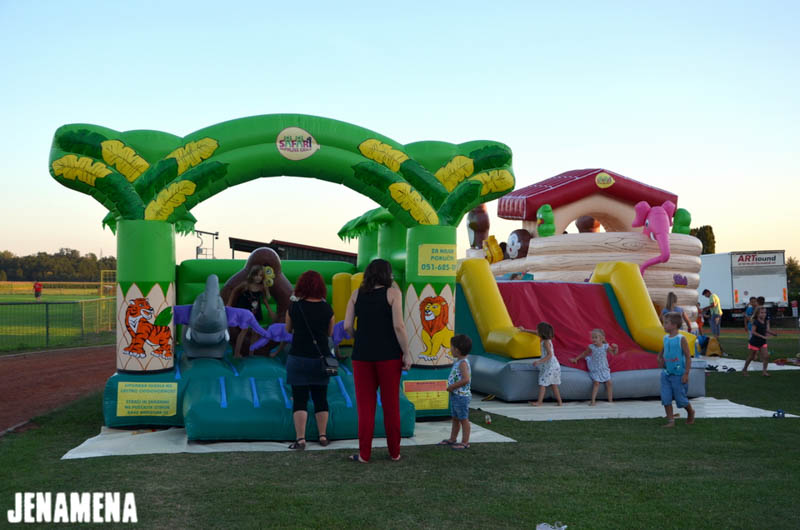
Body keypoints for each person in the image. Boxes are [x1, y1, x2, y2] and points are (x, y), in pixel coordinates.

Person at [343, 259, 412, 463]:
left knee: (366, 407)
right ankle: (394, 452)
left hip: (362, 356)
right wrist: (407, 352)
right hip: (389, 356)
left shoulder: (356, 294)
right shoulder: (393, 293)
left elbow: (347, 326)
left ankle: (364, 454)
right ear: (387, 274)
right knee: (391, 405)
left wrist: (357, 336)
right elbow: (399, 326)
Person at [284, 270, 335, 450]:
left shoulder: (294, 307)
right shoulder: (327, 308)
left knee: (300, 399)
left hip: (298, 357)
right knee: (321, 398)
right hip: (321, 359)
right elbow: (330, 333)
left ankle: (301, 439)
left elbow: (287, 329)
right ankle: (323, 436)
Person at [227, 264, 277, 357]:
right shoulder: (246, 284)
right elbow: (234, 291)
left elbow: (266, 299)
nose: (258, 278)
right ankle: (237, 353)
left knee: (255, 332)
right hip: (244, 309)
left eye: (260, 275)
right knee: (244, 330)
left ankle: (251, 353)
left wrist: (270, 310)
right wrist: (229, 304)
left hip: (255, 310)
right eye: (256, 275)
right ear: (252, 275)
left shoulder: (262, 287)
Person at [658, 312, 695, 428]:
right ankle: (670, 421)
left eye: (666, 323)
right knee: (666, 397)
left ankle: (690, 411)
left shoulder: (681, 339)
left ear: (674, 325)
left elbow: (688, 357)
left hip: (678, 375)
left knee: (681, 399)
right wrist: (660, 358)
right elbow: (663, 351)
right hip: (666, 374)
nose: (664, 325)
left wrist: (686, 373)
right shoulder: (665, 338)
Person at [438, 334, 472, 450]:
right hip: (456, 395)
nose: (450, 349)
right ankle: (452, 438)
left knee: (463, 419)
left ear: (457, 350)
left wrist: (452, 386)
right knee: (455, 418)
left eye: (451, 347)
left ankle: (465, 442)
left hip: (461, 396)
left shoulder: (463, 363)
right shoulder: (459, 361)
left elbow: (466, 379)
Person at [569, 329, 619, 405]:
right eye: (593, 337)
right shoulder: (591, 347)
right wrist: (576, 359)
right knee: (596, 383)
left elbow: (614, 353)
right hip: (595, 367)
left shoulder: (605, 346)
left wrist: (616, 348)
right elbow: (584, 353)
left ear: (602, 338)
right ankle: (593, 401)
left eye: (596, 337)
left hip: (603, 367)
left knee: (609, 383)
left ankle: (610, 400)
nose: (593, 339)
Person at [521, 322, 562, 407]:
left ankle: (539, 402)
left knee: (543, 383)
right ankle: (560, 402)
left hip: (550, 366)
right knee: (554, 384)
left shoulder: (546, 342)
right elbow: (535, 332)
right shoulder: (546, 339)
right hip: (553, 365)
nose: (536, 331)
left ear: (542, 332)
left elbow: (550, 355)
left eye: (538, 330)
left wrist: (539, 361)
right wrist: (524, 330)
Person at [743, 306, 777, 377]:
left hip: (762, 342)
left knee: (766, 356)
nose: (764, 314)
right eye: (761, 313)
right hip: (754, 342)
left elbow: (765, 329)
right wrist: (762, 336)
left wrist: (772, 333)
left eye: (765, 312)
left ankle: (764, 372)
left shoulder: (764, 321)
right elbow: (753, 332)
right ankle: (745, 369)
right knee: (751, 357)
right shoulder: (756, 322)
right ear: (757, 314)